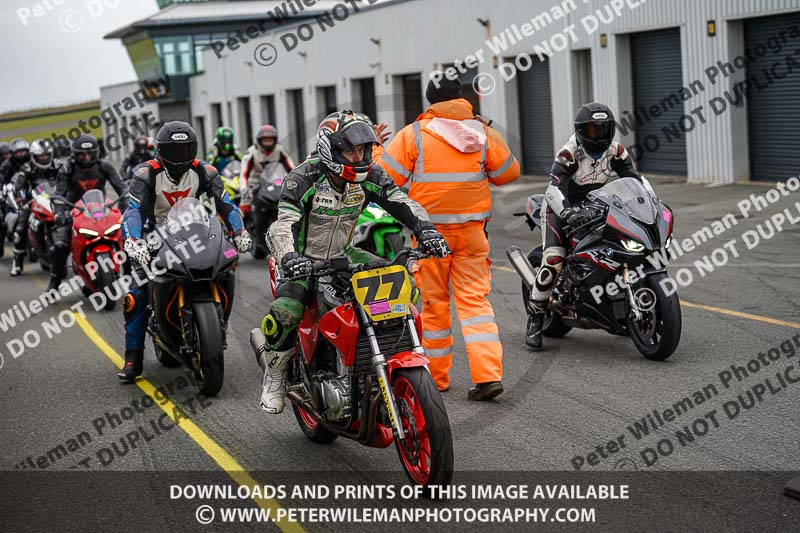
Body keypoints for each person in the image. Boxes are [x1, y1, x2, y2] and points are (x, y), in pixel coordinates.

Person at [253, 110, 450, 414]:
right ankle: (275, 376)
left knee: (405, 286)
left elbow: (400, 201)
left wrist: (427, 231)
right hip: (301, 257)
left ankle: (393, 353)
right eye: (350, 150)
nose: (358, 157)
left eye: (362, 149)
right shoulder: (303, 178)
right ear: (329, 148)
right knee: (287, 310)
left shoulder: (371, 174)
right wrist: (290, 257)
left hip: (345, 253)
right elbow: (284, 223)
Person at [374, 78, 520, 401]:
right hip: (471, 235)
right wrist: (490, 129)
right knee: (475, 305)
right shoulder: (479, 132)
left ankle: (436, 379)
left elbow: (384, 178)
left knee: (433, 306)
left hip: (430, 236)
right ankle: (488, 377)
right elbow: (508, 172)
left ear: (430, 101)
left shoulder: (414, 134)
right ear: (460, 97)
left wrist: (373, 148)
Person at [119, 121, 252, 382]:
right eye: (174, 150)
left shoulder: (207, 171)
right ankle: (133, 356)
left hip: (194, 231)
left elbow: (226, 205)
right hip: (152, 236)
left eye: (186, 149)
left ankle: (214, 323)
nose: (180, 156)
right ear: (161, 151)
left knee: (225, 266)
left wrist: (240, 233)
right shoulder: (146, 174)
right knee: (136, 291)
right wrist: (134, 241)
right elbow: (132, 211)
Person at [526, 102, 652, 349]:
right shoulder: (569, 153)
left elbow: (633, 179)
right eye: (593, 131)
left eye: (604, 130)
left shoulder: (616, 151)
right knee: (554, 260)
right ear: (581, 131)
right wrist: (568, 214)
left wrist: (650, 200)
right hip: (561, 207)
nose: (600, 136)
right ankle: (535, 315)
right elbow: (554, 188)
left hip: (595, 204)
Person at [50, 134, 128, 291]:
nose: (86, 158)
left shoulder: (104, 166)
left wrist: (126, 206)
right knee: (60, 246)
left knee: (128, 237)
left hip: (102, 209)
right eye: (82, 155)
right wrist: (59, 213)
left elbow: (122, 187)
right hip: (73, 210)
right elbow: (59, 194)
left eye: (90, 153)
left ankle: (133, 278)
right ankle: (54, 283)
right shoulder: (67, 169)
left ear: (96, 153)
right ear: (75, 154)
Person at [9, 139, 62, 276]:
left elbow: (68, 178)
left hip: (56, 199)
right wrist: (19, 197)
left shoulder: (58, 164)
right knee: (20, 229)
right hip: (32, 201)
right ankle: (17, 263)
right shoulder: (27, 168)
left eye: (46, 155)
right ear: (33, 156)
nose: (44, 158)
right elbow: (18, 185)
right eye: (41, 156)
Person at [239, 125, 295, 212]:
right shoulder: (251, 152)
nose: (268, 143)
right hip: (254, 187)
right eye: (265, 141)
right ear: (260, 141)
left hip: (275, 184)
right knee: (244, 211)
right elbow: (244, 174)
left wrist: (296, 183)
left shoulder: (280, 150)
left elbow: (292, 169)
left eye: (270, 140)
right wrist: (244, 190)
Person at [0, 138, 31, 256]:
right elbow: (1, 178)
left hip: (26, 190)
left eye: (24, 151)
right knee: (1, 218)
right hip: (9, 190)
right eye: (19, 152)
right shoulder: (7, 165)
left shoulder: (31, 160)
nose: (22, 154)